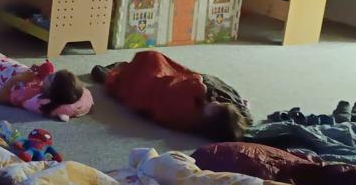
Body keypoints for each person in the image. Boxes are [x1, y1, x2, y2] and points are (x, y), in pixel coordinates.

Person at [92, 51, 252, 141]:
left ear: (212, 119)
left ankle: (120, 73)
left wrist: (200, 86)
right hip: (156, 91)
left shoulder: (188, 111)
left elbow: (183, 85)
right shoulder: (195, 120)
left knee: (152, 58)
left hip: (150, 89)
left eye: (217, 107)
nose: (216, 102)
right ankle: (122, 72)